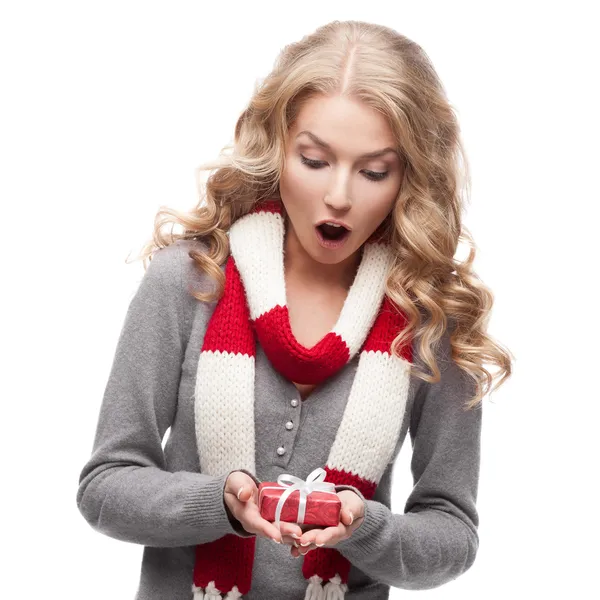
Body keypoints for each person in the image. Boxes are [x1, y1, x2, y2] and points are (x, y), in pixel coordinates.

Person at [76, 19, 512, 600]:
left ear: (409, 175)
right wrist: (220, 502)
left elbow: (451, 537)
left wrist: (366, 528)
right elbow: (105, 488)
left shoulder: (430, 314)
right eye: (314, 160)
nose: (339, 195)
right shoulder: (187, 281)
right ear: (277, 148)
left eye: (374, 171)